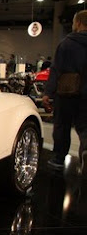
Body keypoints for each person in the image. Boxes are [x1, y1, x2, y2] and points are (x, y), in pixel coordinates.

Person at [42, 10, 87, 169]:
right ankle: (85, 152)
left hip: (67, 92)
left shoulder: (67, 43)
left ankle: (59, 158)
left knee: (62, 125)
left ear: (79, 23)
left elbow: (56, 69)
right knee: (85, 127)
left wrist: (48, 92)